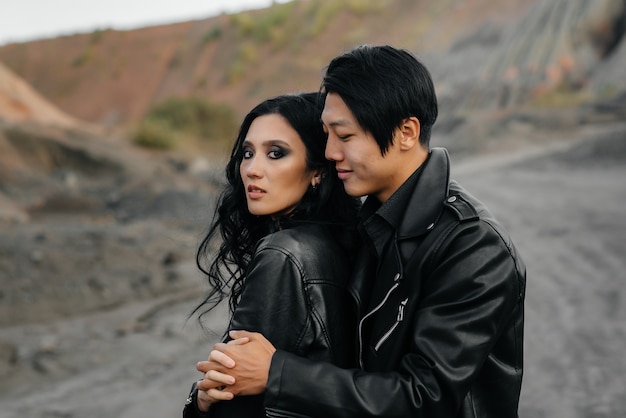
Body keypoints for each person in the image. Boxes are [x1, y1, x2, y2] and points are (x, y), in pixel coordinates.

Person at [197, 44, 527, 417]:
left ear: (406, 132)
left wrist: (277, 373)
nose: (331, 152)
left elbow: (427, 398)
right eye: (326, 135)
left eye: (345, 136)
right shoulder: (372, 224)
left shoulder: (472, 245)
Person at [183, 92, 361, 417]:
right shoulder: (345, 242)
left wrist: (199, 405)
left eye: (276, 153)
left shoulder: (284, 254)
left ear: (317, 171)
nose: (252, 169)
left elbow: (232, 396)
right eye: (248, 153)